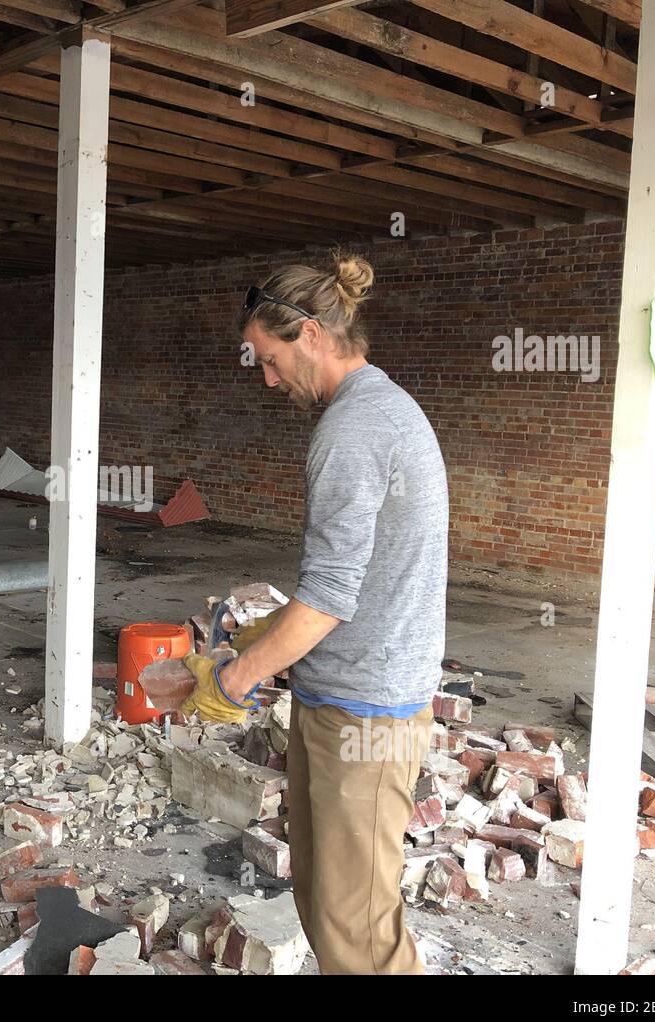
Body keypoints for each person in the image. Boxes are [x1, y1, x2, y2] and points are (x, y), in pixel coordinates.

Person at [180, 252, 449, 975]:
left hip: (364, 711)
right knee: (345, 908)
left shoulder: (353, 430)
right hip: (365, 695)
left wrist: (234, 678)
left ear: (308, 332)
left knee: (355, 934)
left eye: (268, 359)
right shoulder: (382, 408)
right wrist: (268, 634)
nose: (267, 380)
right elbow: (357, 579)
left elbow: (331, 595)